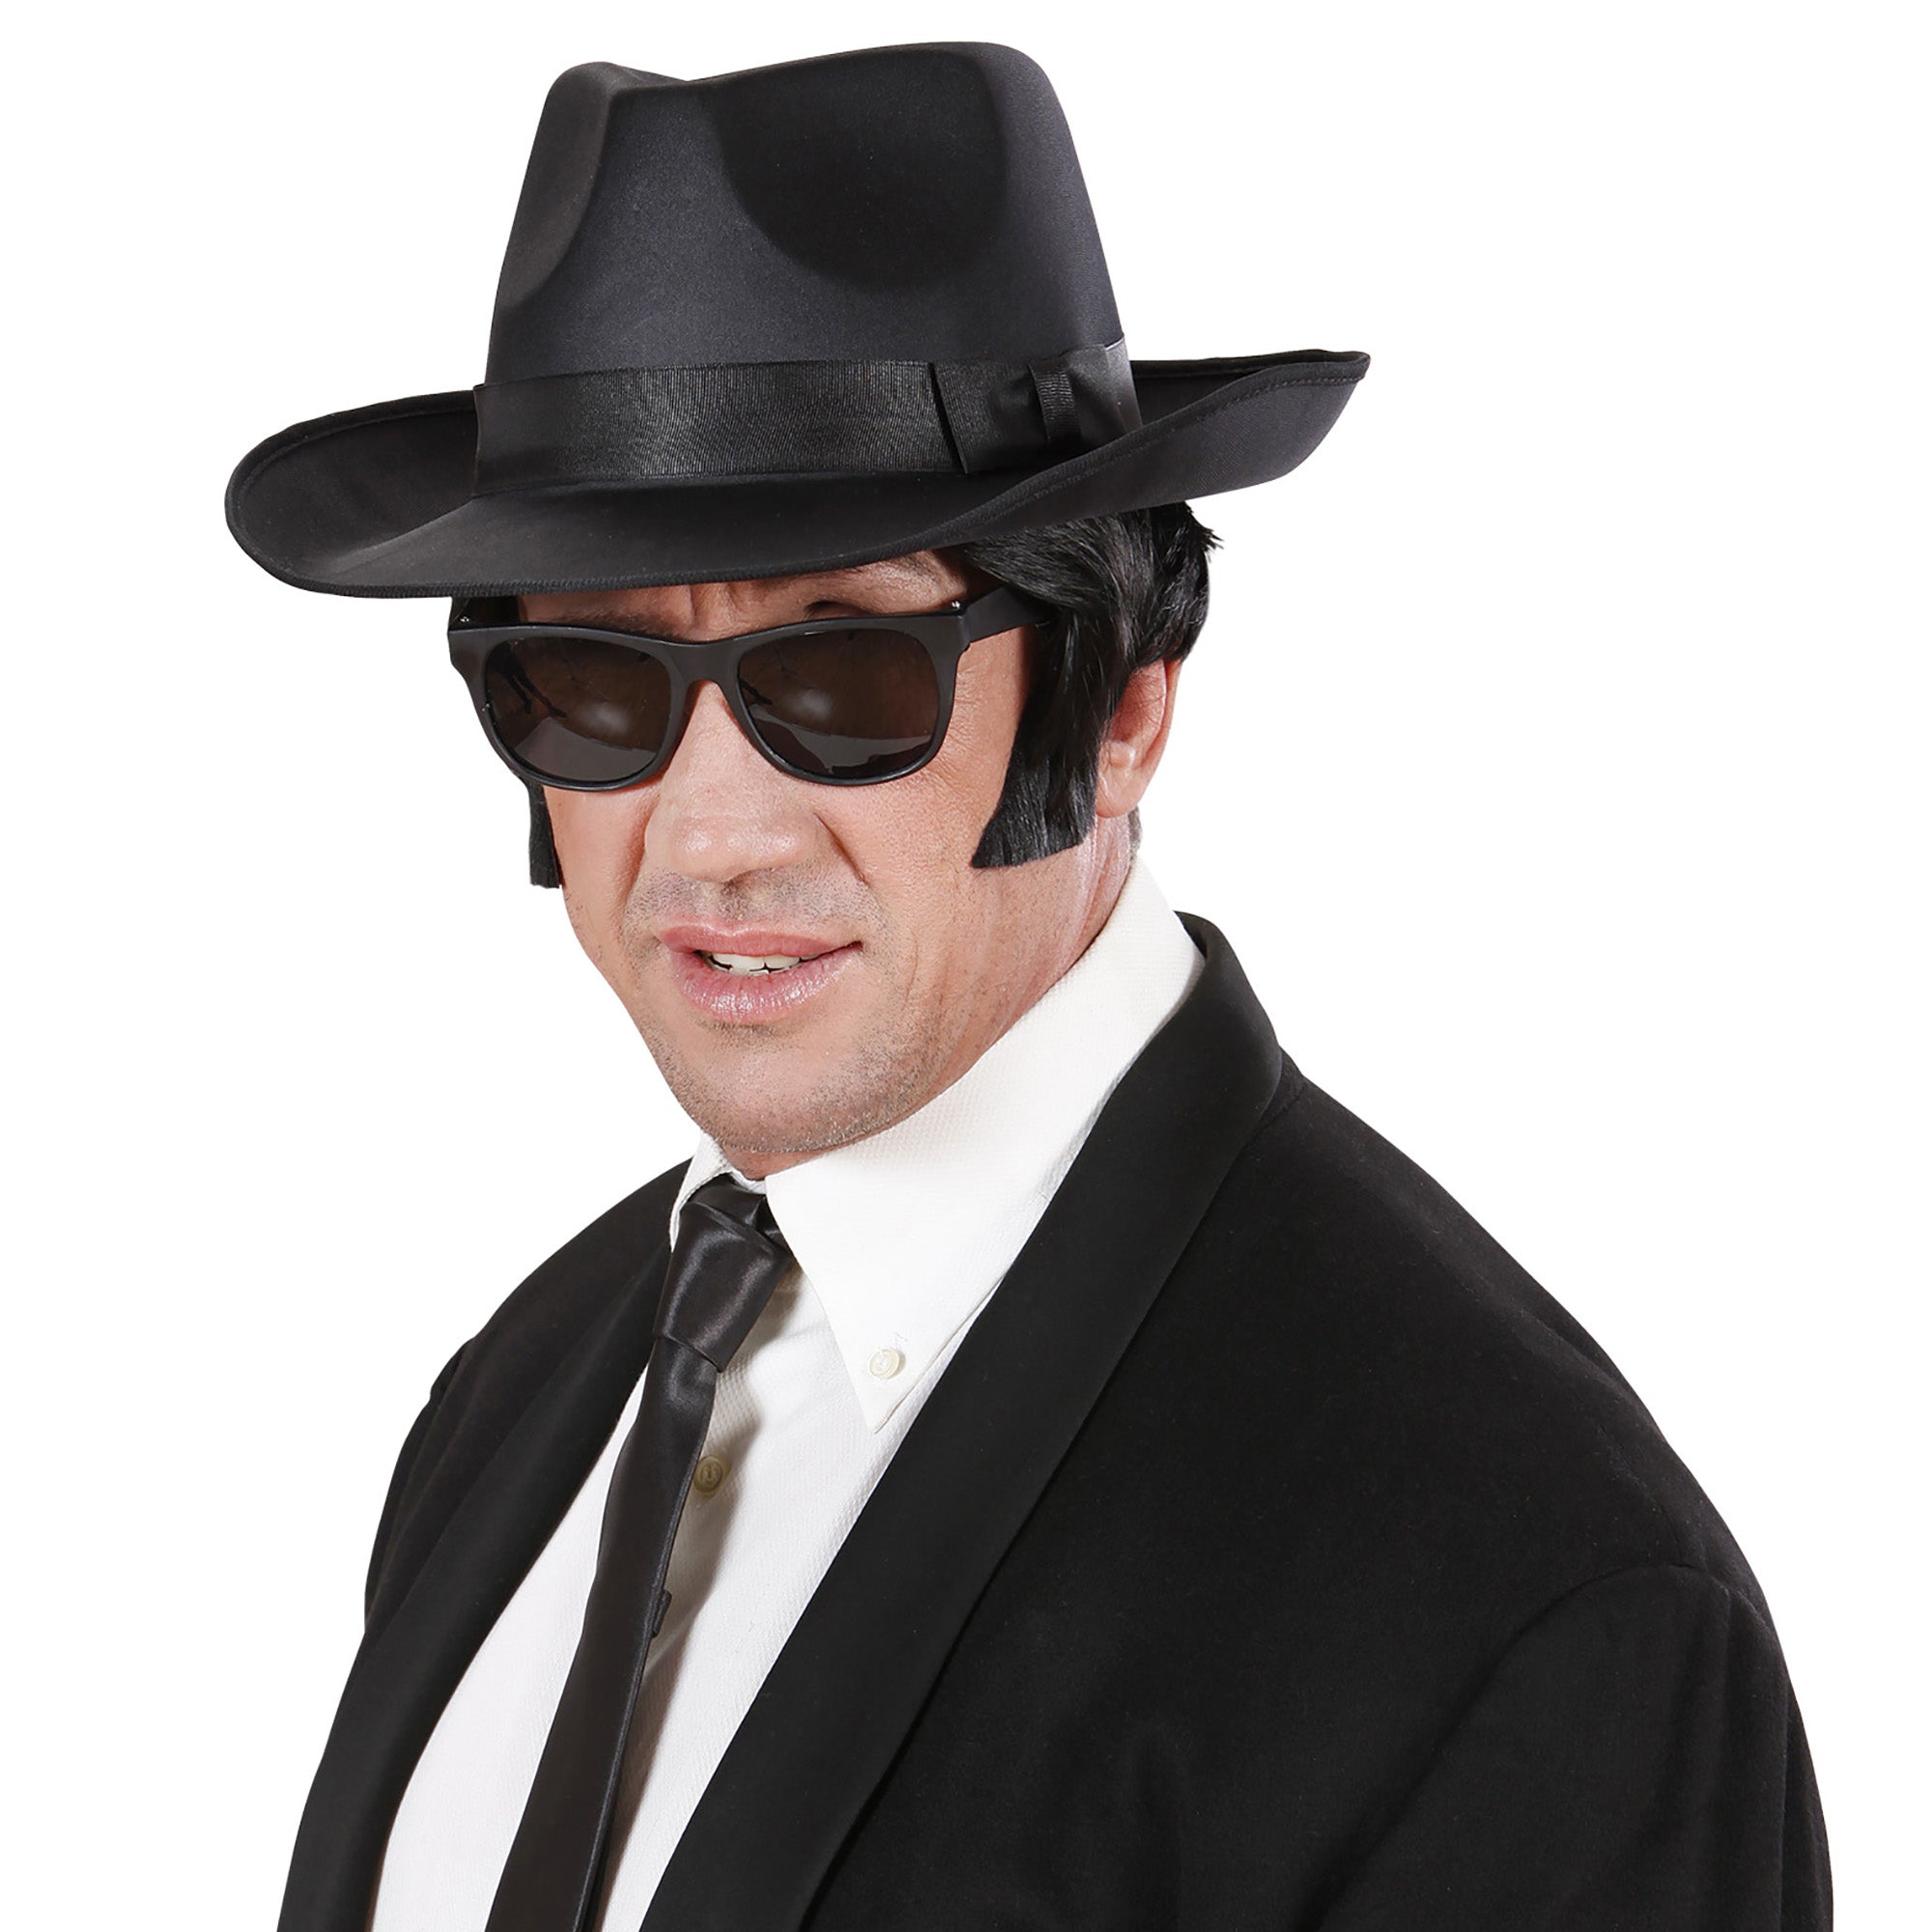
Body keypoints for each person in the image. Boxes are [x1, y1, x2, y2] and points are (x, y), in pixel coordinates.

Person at [226, 42, 1831, 1932]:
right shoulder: (518, 1397)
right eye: (588, 684)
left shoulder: (1522, 1590)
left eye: (844, 678)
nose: (711, 837)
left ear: (1120, 706)